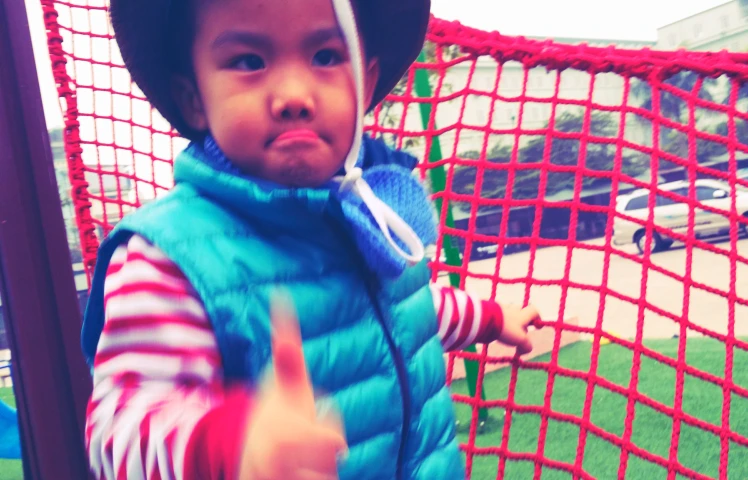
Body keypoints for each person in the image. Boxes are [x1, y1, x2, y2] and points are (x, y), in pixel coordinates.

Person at [80, 0, 540, 479]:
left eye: (325, 56)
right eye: (248, 61)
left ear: (364, 82)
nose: (295, 94)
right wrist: (233, 445)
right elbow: (117, 428)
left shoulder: (368, 216)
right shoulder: (170, 255)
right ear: (194, 96)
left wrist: (490, 318)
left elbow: (407, 312)